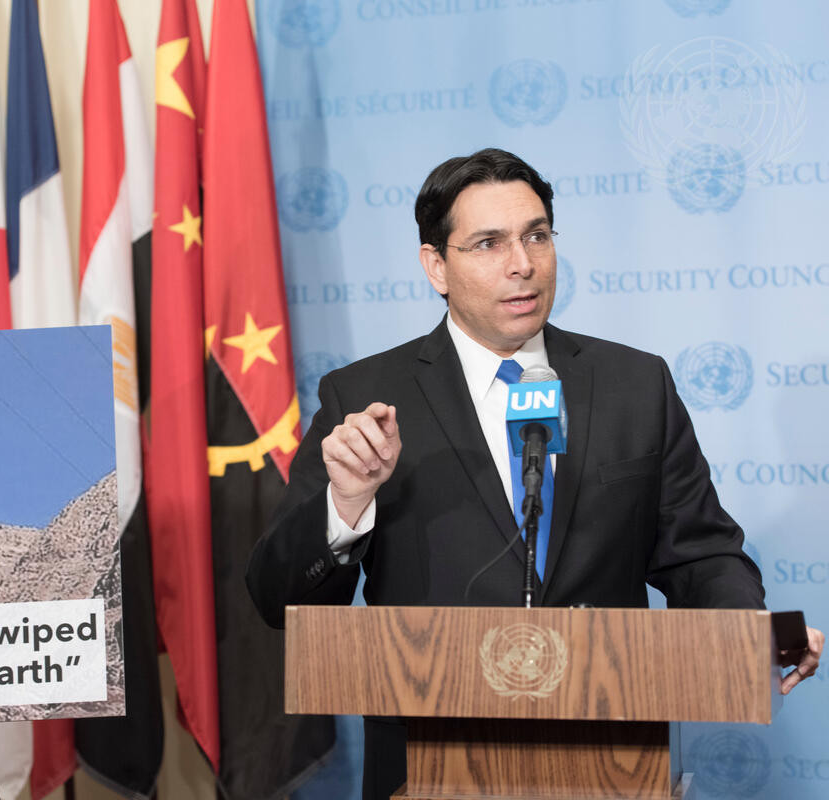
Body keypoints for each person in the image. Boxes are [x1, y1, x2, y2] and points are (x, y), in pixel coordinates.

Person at [245, 148, 823, 800]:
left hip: (614, 760)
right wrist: (345, 508)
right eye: (489, 243)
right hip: (426, 766)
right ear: (436, 265)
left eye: (537, 236)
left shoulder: (635, 386)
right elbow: (278, 599)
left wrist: (746, 635)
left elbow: (703, 555)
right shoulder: (366, 396)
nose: (523, 263)